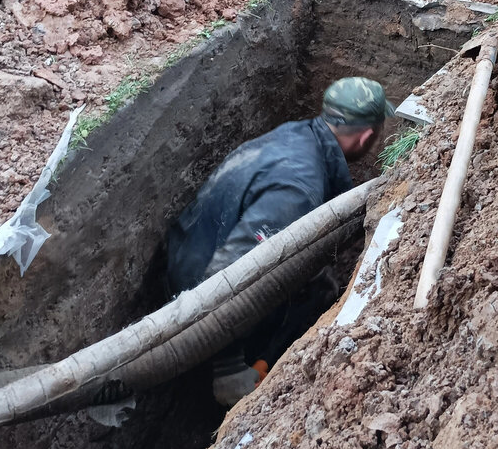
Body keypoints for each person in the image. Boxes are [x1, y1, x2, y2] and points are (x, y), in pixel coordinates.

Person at [166, 77, 394, 406]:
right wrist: (228, 368)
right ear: (368, 135)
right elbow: (225, 276)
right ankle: (227, 381)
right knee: (306, 301)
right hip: (193, 295)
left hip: (187, 248)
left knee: (318, 287)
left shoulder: (296, 134)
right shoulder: (299, 190)